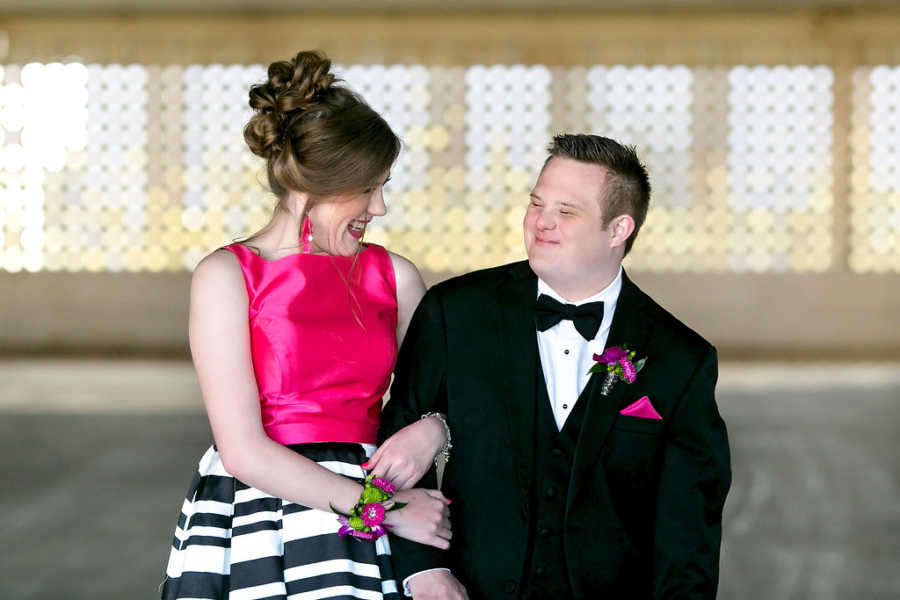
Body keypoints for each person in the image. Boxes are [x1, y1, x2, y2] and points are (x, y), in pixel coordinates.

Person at [378, 134, 732, 599]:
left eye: (566, 211)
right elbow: (397, 438)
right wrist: (424, 571)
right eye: (536, 203)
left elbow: (688, 532)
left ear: (618, 229)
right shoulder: (456, 312)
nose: (541, 222)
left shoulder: (681, 358)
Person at [161, 50, 451, 600]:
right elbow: (243, 449)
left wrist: (433, 428)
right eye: (368, 188)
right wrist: (384, 511)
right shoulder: (225, 277)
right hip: (260, 516)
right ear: (316, 185)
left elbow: (445, 394)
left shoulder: (396, 276)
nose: (381, 207)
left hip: (380, 506)